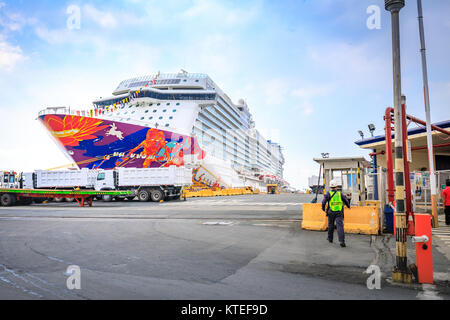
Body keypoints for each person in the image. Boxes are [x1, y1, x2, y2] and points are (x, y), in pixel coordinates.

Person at [322, 179, 351, 247]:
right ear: (337, 187)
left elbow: (323, 202)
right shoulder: (339, 193)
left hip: (331, 212)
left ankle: (330, 238)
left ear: (330, 187)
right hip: (339, 212)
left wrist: (323, 209)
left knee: (330, 225)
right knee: (340, 226)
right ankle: (342, 241)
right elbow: (346, 200)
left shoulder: (328, 194)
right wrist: (348, 206)